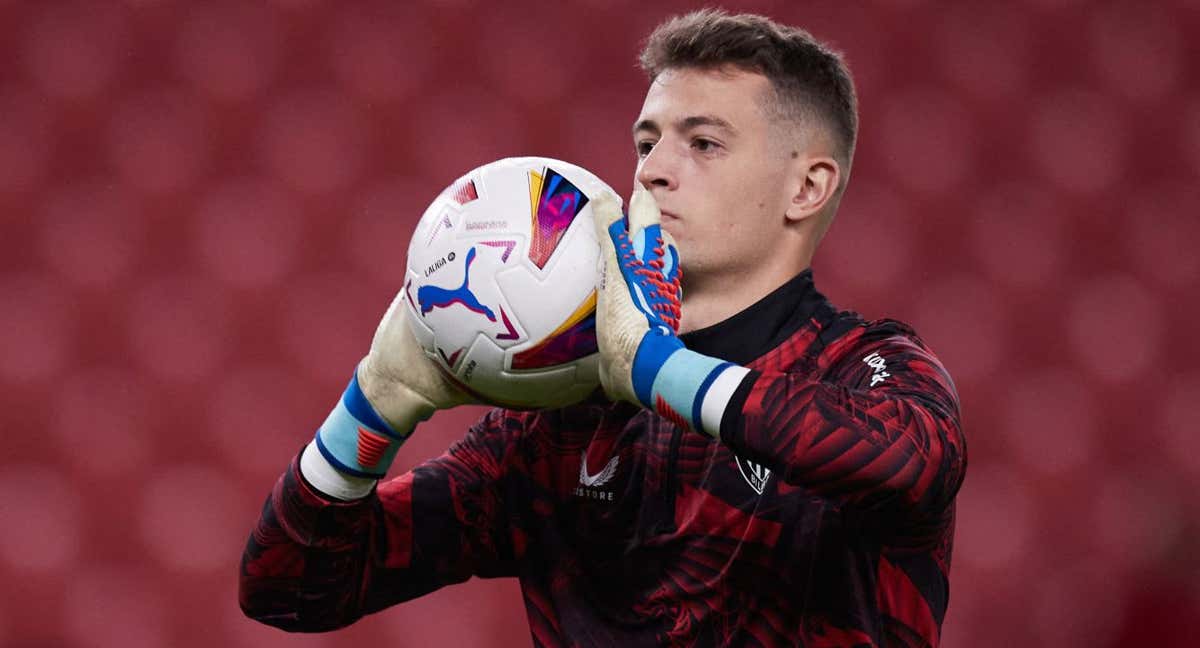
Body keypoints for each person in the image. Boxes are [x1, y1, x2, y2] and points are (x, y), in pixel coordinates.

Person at [240, 9, 966, 647]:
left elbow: (903, 464)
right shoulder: (561, 423)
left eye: (703, 144)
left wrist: (655, 369)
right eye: (646, 142)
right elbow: (289, 586)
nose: (652, 172)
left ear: (807, 186)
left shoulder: (865, 367)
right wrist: (374, 403)